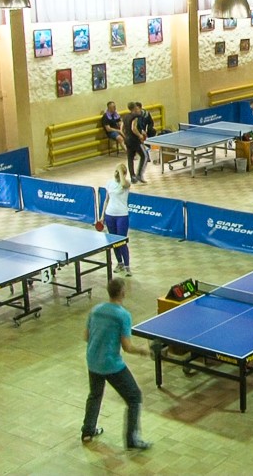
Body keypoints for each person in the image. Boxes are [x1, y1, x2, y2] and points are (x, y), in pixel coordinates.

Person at [81, 278, 152, 450]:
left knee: (95, 394)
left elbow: (86, 336)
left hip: (92, 360)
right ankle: (132, 440)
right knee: (134, 397)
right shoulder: (123, 315)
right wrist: (142, 350)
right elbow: (127, 347)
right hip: (111, 364)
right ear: (122, 293)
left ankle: (88, 432)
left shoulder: (95, 310)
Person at [100, 163, 132, 276]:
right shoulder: (109, 183)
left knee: (122, 242)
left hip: (122, 216)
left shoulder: (127, 183)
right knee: (114, 242)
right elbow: (106, 200)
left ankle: (127, 266)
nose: (117, 173)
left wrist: (120, 170)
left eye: (120, 172)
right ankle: (120, 263)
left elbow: (123, 183)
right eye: (116, 171)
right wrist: (102, 216)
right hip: (110, 215)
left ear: (124, 174)